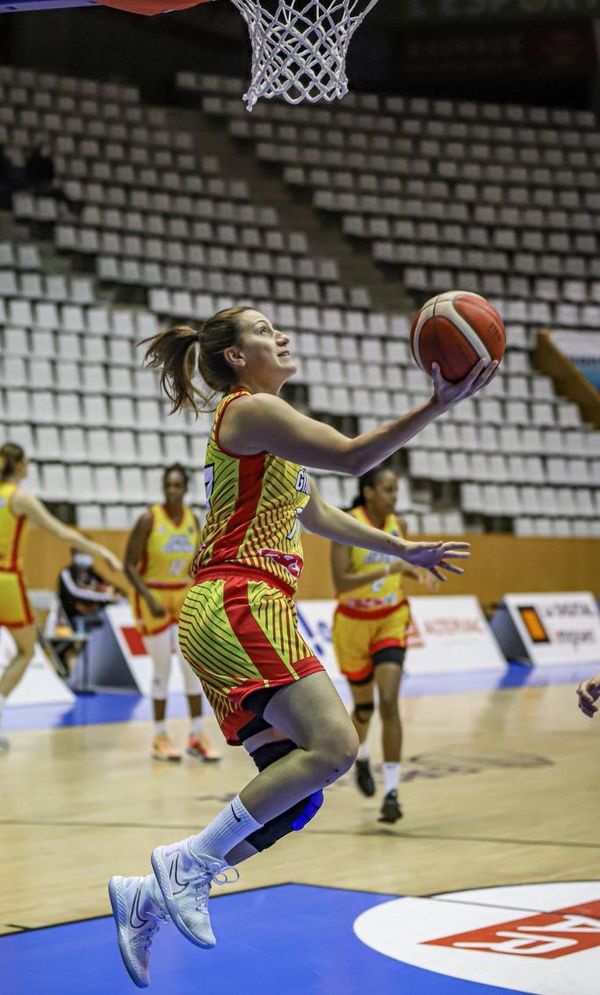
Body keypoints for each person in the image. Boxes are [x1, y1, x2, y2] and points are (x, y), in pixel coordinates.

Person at [108, 305, 496, 988]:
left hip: (239, 608)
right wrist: (436, 404)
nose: (279, 336)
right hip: (239, 599)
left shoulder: (270, 434)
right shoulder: (248, 409)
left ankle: (147, 897)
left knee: (301, 792)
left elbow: (318, 513)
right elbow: (352, 456)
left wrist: (401, 547)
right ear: (234, 356)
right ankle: (184, 866)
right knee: (339, 744)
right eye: (263, 330)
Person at [330, 465, 438, 823]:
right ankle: (360, 758)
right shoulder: (348, 525)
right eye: (388, 490)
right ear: (369, 491)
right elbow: (342, 582)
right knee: (364, 711)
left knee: (389, 701)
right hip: (352, 624)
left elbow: (405, 564)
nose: (394, 497)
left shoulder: (399, 526)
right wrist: (390, 570)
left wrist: (416, 569)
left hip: (390, 618)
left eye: (396, 490)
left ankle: (391, 792)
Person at [0, 442, 121, 749]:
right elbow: (61, 532)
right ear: (18, 466)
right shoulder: (20, 498)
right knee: (26, 651)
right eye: (26, 461)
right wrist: (101, 550)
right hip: (7, 579)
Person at [124, 463, 220, 763]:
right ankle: (159, 735)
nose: (172, 490)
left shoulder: (193, 520)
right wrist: (147, 597)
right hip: (152, 594)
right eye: (168, 485)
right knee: (162, 669)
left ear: (186, 489)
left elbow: (199, 563)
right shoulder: (148, 519)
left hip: (182, 593)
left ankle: (195, 734)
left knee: (191, 668)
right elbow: (128, 564)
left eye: (177, 485)